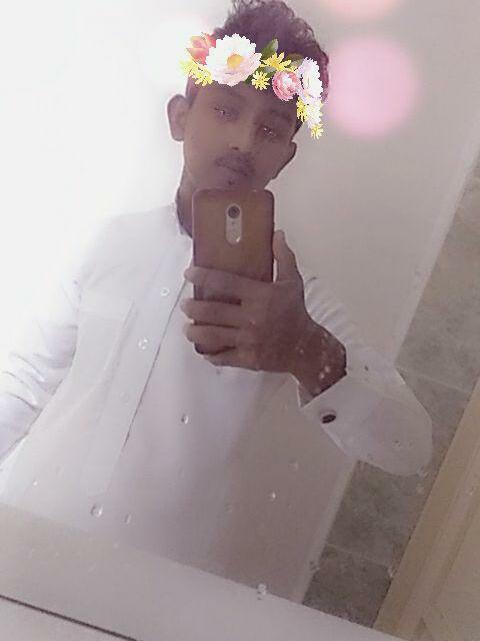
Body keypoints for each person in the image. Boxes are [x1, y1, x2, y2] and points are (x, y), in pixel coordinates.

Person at [0, 0, 432, 600]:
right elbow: (23, 383)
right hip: (18, 544)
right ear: (180, 117)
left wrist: (306, 351)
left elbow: (410, 446)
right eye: (226, 110)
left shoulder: (293, 301)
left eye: (271, 130)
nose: (243, 142)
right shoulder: (109, 242)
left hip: (153, 597)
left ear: (286, 155)